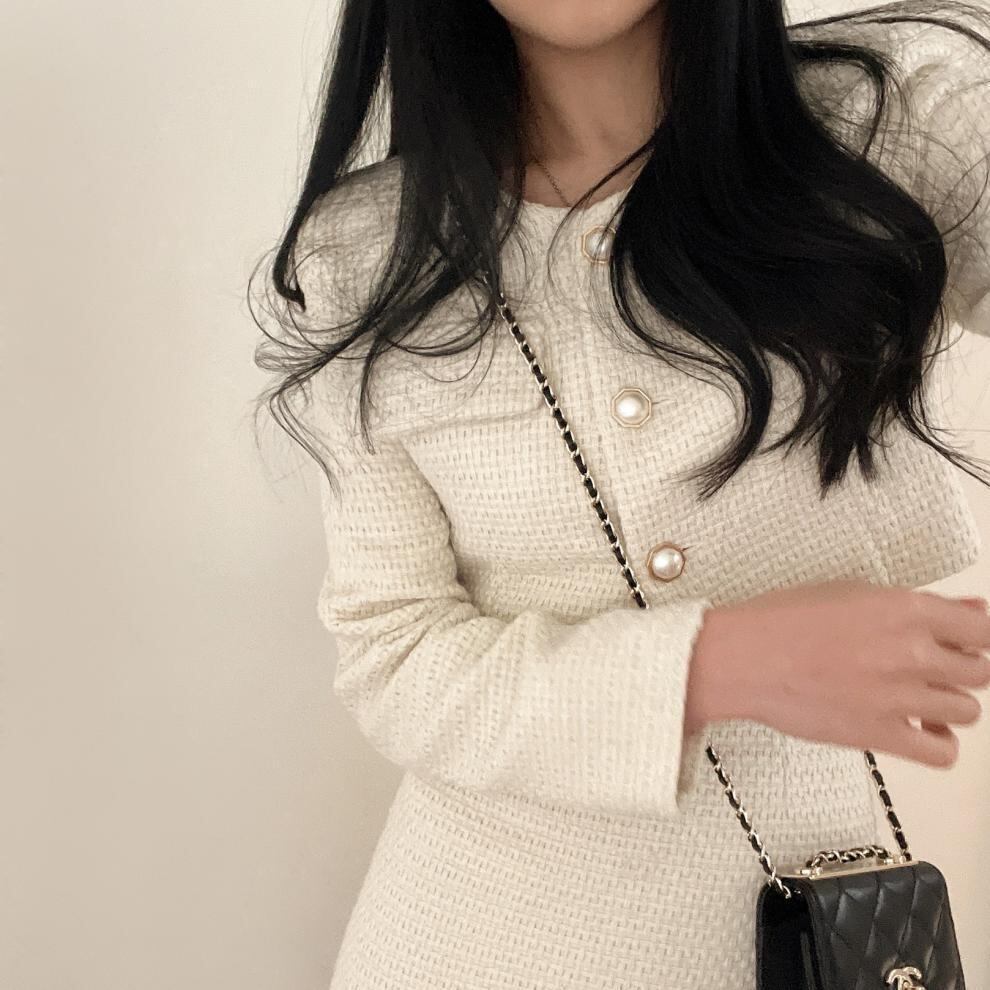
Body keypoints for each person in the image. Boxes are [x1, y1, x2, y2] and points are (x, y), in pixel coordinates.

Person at [252, 0, 990, 986]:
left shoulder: (896, 118)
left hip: (830, 943)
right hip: (474, 948)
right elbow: (396, 658)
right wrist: (720, 664)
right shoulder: (363, 253)